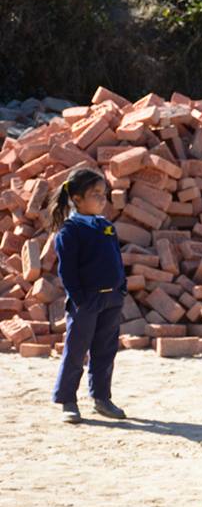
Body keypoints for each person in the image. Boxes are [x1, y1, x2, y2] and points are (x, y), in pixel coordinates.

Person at [49, 167, 128, 424]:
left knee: (105, 351)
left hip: (111, 300)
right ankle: (67, 401)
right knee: (76, 352)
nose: (102, 198)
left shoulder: (106, 227)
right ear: (77, 199)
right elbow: (67, 271)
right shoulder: (69, 232)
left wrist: (121, 289)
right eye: (95, 194)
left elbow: (117, 259)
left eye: (104, 193)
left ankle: (102, 399)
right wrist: (80, 300)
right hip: (86, 302)